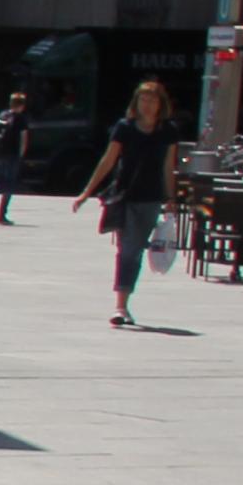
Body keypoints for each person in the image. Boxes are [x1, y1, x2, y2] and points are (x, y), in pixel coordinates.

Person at [69, 77, 186, 328]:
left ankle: (124, 300)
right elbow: (108, 160)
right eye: (143, 99)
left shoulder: (168, 131)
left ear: (160, 104)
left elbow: (168, 167)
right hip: (124, 196)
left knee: (134, 250)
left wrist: (171, 198)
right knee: (129, 249)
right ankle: (121, 305)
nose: (147, 104)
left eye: (152, 100)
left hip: (151, 197)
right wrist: (86, 192)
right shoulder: (125, 127)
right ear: (136, 102)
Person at [0, 89, 32, 221]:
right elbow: (23, 138)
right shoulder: (21, 119)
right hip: (12, 155)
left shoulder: (2, 115)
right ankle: (2, 215)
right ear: (22, 105)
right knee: (9, 184)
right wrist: (21, 155)